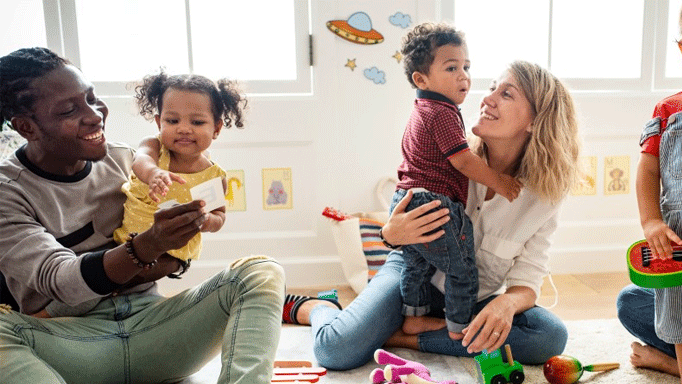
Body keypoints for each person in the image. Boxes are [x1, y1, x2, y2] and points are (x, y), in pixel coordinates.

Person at [0, 47, 284, 384]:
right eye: (69, 109)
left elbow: (180, 251)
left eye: (92, 98)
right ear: (26, 126)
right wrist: (146, 250)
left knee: (261, 272)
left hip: (152, 327)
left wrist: (183, 242)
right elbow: (62, 282)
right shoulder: (8, 191)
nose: (95, 115)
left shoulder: (125, 161)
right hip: (71, 340)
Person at [284, 60, 580, 370]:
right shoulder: (451, 153)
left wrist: (507, 303)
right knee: (335, 350)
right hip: (413, 278)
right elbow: (399, 217)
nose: (487, 98)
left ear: (535, 120)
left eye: (506, 94)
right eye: (492, 87)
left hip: (474, 299)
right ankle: (317, 307)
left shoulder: (544, 196)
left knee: (548, 336)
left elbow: (528, 279)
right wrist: (390, 234)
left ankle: (401, 338)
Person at [389, 22, 522, 340]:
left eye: (466, 66)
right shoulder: (442, 112)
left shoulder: (422, 108)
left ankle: (414, 317)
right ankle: (460, 327)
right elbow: (462, 160)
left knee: (416, 265)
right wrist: (500, 182)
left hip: (406, 197)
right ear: (421, 79)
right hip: (431, 202)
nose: (463, 75)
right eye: (451, 68)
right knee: (462, 268)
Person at [113, 71, 246, 271]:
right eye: (173, 121)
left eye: (197, 122)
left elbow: (219, 215)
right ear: (159, 123)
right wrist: (154, 174)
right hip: (130, 244)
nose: (184, 129)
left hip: (175, 254)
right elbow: (140, 160)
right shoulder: (154, 149)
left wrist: (207, 221)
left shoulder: (213, 176)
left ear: (216, 128)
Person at [617, 6, 682, 381]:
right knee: (665, 314)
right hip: (675, 246)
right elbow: (648, 168)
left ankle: (666, 364)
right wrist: (651, 220)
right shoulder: (669, 110)